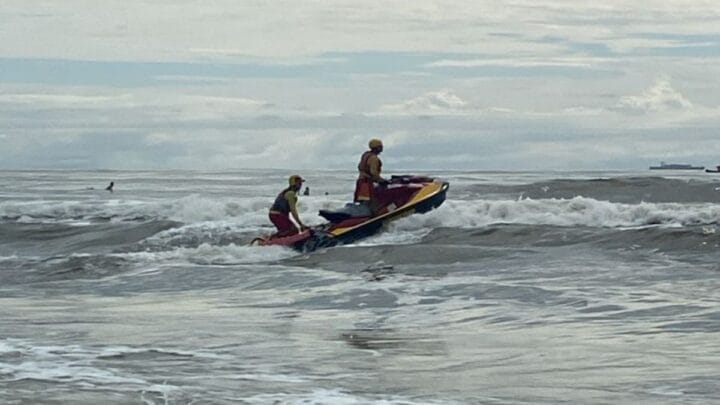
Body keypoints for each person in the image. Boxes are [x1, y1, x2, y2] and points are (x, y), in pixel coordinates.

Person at [354, 138, 388, 212]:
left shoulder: (365, 155)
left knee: (363, 201)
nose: (382, 148)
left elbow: (359, 167)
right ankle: (374, 215)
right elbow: (374, 173)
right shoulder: (374, 158)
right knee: (372, 202)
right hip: (367, 184)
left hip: (361, 182)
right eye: (380, 147)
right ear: (376, 148)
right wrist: (382, 181)